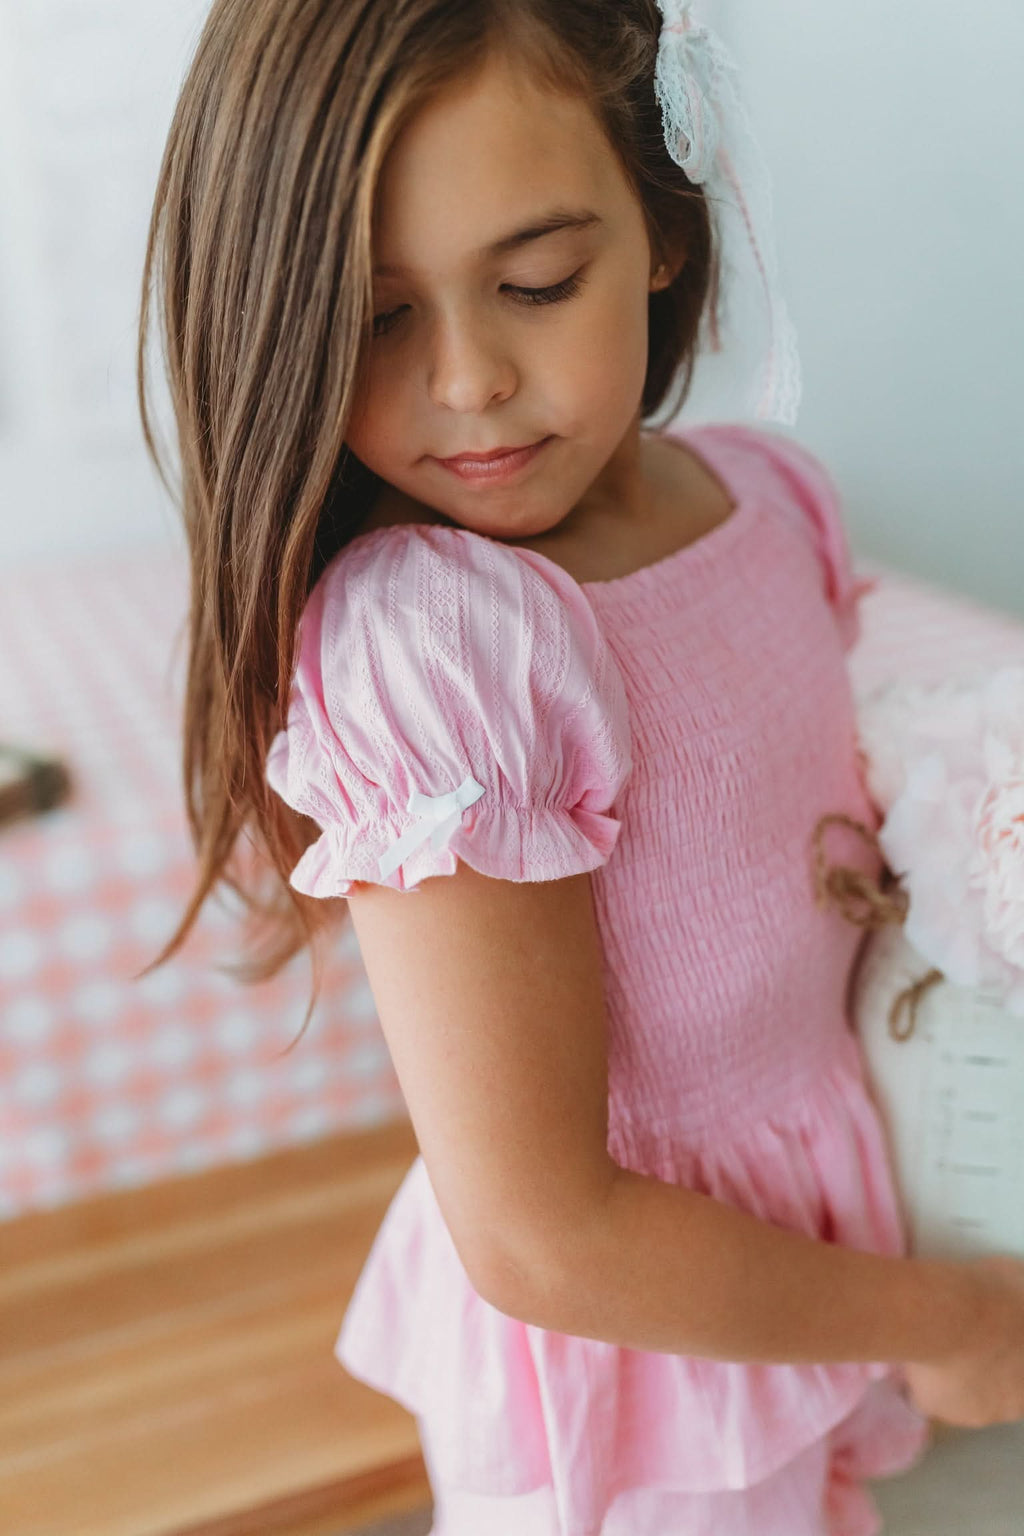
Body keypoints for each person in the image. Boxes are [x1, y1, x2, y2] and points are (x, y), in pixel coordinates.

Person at [136, 1, 1024, 1532]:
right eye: (374, 316)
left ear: (663, 225)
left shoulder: (763, 499)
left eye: (537, 282)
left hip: (799, 1273)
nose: (471, 379)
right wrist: (948, 1317)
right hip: (647, 1364)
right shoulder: (443, 643)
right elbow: (544, 1237)